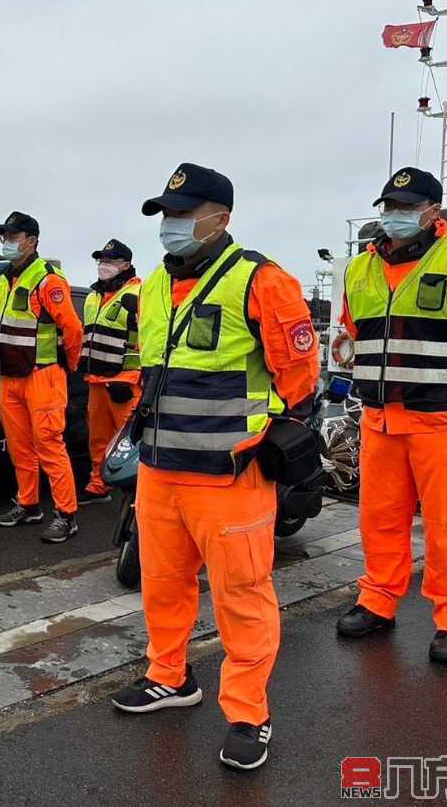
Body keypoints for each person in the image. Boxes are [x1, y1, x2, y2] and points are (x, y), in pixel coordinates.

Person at [109, 163, 319, 772]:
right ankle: (169, 677)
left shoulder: (261, 282)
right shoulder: (150, 286)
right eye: (167, 216)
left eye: (183, 215)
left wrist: (270, 436)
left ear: (220, 218)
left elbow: (299, 380)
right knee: (163, 585)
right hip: (160, 470)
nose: (172, 226)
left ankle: (249, 713)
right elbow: (152, 371)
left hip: (230, 475)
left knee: (243, 597)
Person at [331, 167, 447, 665]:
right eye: (389, 207)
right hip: (381, 419)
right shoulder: (359, 269)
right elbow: (354, 330)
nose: (394, 216)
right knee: (379, 519)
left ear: (433, 211)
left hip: (446, 419)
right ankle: (377, 601)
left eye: (406, 207)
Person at [0, 211, 84, 544]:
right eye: (4, 238)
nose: (7, 244)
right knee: (20, 447)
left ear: (32, 241)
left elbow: (72, 329)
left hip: (42, 375)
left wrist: (67, 366)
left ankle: (66, 515)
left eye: (13, 238)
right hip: (10, 375)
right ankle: (28, 504)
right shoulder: (6, 277)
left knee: (50, 446)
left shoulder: (47, 280)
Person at [79, 239, 142, 504]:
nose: (104, 266)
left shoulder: (138, 294)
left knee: (131, 440)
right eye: (101, 261)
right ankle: (98, 484)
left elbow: (150, 339)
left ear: (126, 265)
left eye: (110, 261)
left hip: (124, 381)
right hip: (96, 379)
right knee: (98, 437)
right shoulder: (94, 296)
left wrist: (137, 375)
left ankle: (141, 491)